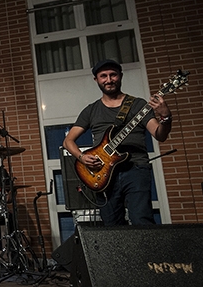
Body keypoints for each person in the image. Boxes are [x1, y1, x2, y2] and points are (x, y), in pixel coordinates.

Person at [62, 60, 172, 226]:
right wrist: (82, 157)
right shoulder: (91, 110)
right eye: (103, 76)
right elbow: (68, 141)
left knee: (142, 220)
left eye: (113, 75)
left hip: (135, 168)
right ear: (96, 80)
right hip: (103, 173)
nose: (109, 79)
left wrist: (165, 117)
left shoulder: (138, 105)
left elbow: (159, 135)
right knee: (112, 226)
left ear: (120, 76)